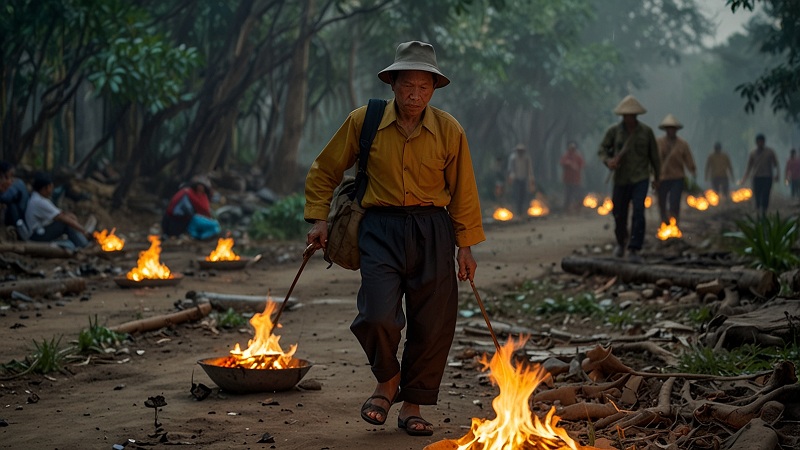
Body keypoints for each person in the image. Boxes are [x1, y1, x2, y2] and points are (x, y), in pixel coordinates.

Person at [304, 41, 484, 437]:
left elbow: (464, 192)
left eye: (424, 87)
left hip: (433, 230)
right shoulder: (363, 122)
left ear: (434, 89)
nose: (415, 94)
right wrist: (319, 218)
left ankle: (412, 404)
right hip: (379, 227)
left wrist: (465, 247)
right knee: (376, 315)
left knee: (433, 322)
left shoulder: (449, 131)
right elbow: (325, 169)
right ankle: (388, 379)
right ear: (393, 84)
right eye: (408, 85)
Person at [597, 95, 660, 263]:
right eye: (626, 115)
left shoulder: (646, 132)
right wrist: (608, 161)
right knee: (619, 212)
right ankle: (620, 242)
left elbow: (654, 157)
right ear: (622, 116)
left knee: (639, 211)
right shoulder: (613, 132)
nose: (629, 118)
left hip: (641, 177)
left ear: (636, 116)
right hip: (621, 179)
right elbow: (602, 149)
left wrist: (657, 177)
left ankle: (634, 248)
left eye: (632, 115)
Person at [24, 172, 90, 249]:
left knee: (68, 220)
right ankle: (84, 246)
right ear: (44, 188)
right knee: (65, 224)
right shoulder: (39, 202)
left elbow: (60, 213)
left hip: (41, 231)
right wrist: (83, 230)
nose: (52, 189)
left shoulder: (39, 197)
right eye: (50, 187)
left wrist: (70, 216)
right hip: (37, 236)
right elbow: (61, 217)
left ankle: (82, 243)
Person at [655, 114, 696, 225]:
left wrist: (692, 170)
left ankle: (674, 221)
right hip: (663, 177)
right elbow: (655, 159)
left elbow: (689, 159)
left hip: (677, 177)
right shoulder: (659, 143)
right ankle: (664, 220)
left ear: (676, 130)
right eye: (669, 128)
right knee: (662, 202)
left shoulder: (682, 144)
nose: (671, 130)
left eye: (673, 128)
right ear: (666, 129)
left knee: (675, 201)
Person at [161, 175, 221, 240]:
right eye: (199, 186)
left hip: (188, 219)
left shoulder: (203, 197)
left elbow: (206, 209)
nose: (200, 189)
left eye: (202, 187)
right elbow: (186, 209)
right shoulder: (187, 194)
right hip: (176, 220)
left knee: (215, 226)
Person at [740, 134, 779, 217]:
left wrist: (777, 174)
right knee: (757, 195)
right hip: (756, 177)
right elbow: (749, 167)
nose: (760, 143)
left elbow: (775, 164)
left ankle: (764, 211)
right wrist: (744, 178)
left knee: (765, 195)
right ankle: (758, 211)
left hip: (767, 177)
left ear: (764, 142)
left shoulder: (770, 152)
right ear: (756, 142)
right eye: (759, 141)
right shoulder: (753, 153)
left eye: (762, 141)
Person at [506, 144, 535, 216]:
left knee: (523, 195)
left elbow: (529, 169)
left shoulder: (526, 158)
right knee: (516, 195)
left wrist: (531, 178)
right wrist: (510, 178)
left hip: (524, 179)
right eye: (519, 151)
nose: (520, 152)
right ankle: (517, 211)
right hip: (516, 179)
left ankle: (522, 211)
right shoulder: (513, 158)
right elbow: (511, 169)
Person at [0, 161, 30, 231]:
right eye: (7, 177)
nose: (10, 181)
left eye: (10, 177)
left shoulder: (17, 184)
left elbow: (5, 198)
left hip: (20, 220)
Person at [559, 141, 585, 213]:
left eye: (573, 148)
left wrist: (577, 166)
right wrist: (569, 163)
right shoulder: (566, 156)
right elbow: (562, 162)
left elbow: (582, 164)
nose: (572, 150)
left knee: (577, 195)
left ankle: (577, 209)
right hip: (568, 180)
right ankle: (566, 209)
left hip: (576, 180)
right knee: (568, 195)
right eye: (571, 148)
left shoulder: (578, 156)